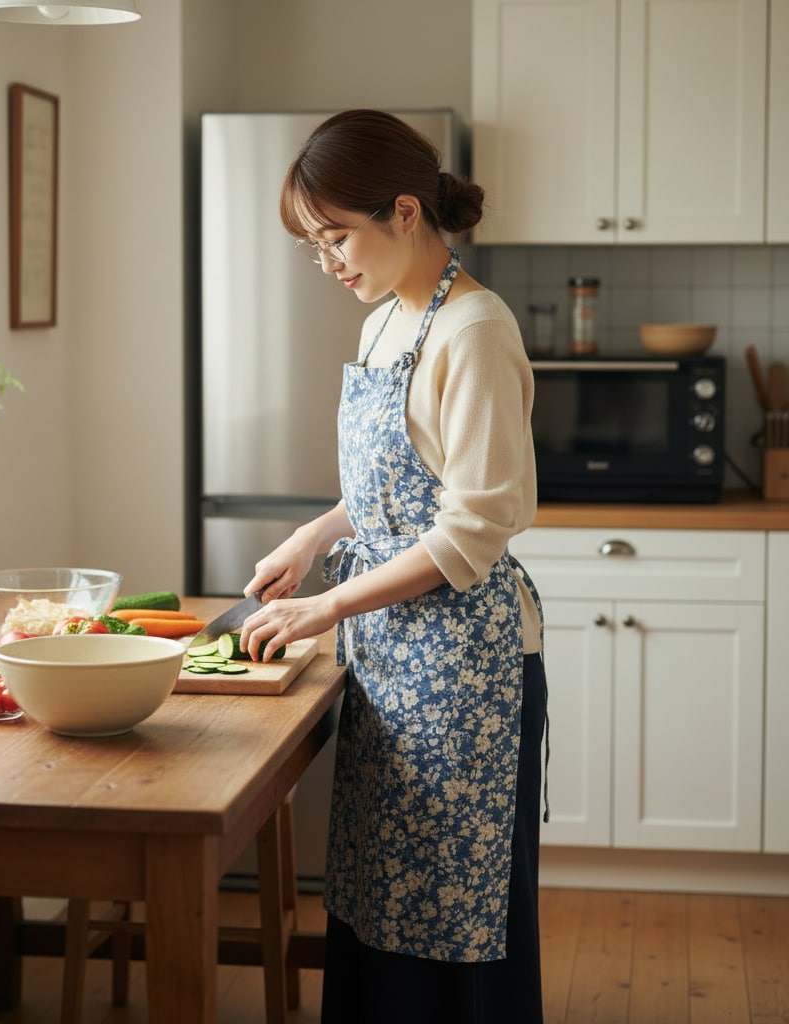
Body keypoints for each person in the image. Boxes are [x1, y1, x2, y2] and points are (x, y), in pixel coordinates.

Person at [237, 109, 548, 1024]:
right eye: (315, 245)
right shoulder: (385, 324)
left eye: (337, 237)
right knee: (379, 896)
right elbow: (392, 492)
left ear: (405, 212)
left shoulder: (474, 330)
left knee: (458, 909)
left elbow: (467, 533)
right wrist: (311, 538)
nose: (329, 262)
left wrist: (327, 607)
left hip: (465, 669)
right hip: (391, 655)